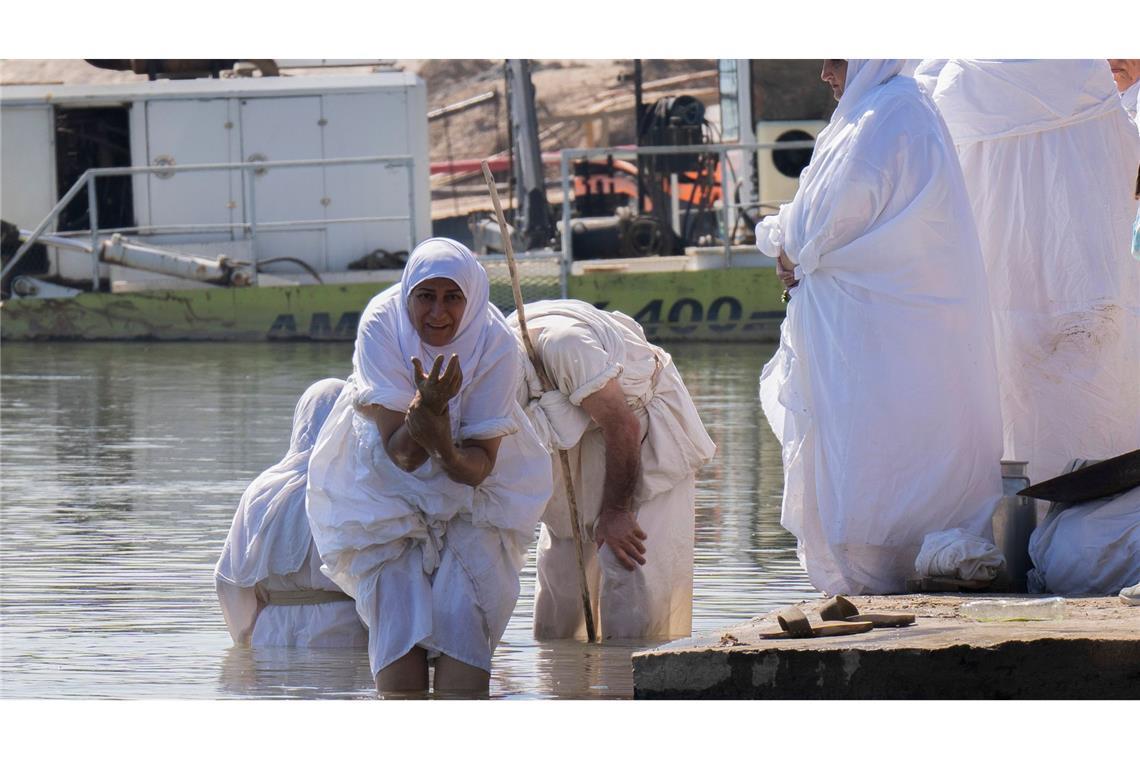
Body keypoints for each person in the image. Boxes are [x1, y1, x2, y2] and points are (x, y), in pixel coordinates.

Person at [755, 59, 1005, 595]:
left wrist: (784, 243)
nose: (824, 72)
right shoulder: (878, 113)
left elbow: (814, 224)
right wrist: (789, 242)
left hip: (880, 339)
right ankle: (881, 571)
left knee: (877, 460)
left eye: (836, 58)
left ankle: (878, 575)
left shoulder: (885, 116)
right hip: (881, 334)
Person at [305, 238, 552, 696]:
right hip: (383, 489)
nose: (438, 313)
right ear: (408, 296)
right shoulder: (383, 322)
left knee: (466, 620)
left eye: (452, 298)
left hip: (479, 494)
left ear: (471, 299)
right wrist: (427, 409)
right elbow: (400, 455)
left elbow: (479, 467)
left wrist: (444, 442)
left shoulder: (496, 343)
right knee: (397, 628)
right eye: (426, 296)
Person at [915, 60, 1140, 483]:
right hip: (1092, 288)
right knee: (1092, 413)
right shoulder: (1087, 76)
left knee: (1015, 409)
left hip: (995, 297)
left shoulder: (959, 81)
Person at [506, 299, 715, 640]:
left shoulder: (565, 346)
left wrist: (616, 511)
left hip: (637, 425)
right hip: (575, 440)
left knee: (630, 571)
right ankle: (564, 682)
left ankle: (630, 680)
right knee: (562, 584)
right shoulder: (494, 370)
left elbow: (624, 426)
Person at [215, 378, 367, 648]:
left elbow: (230, 577)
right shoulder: (360, 487)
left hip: (271, 632)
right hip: (343, 630)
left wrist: (246, 635)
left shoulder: (263, 489)